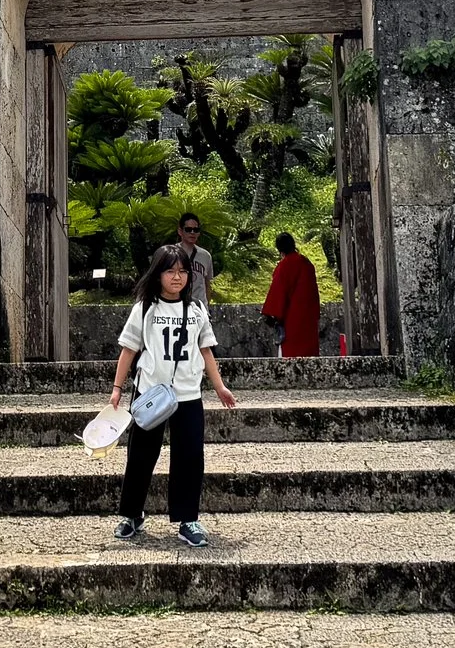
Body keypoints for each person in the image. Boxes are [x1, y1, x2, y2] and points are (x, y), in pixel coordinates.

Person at [106, 241, 237, 546]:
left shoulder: (196, 310)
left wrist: (219, 387)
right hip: (150, 392)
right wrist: (117, 389)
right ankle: (132, 514)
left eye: (182, 271)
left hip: (188, 395)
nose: (177, 277)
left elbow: (205, 351)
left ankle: (187, 519)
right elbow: (129, 350)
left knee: (190, 457)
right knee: (140, 455)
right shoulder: (145, 308)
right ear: (158, 274)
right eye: (170, 271)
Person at [261, 231, 321, 358]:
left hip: (291, 318)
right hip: (309, 317)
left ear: (279, 249)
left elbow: (278, 292)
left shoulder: (284, 266)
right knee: (310, 354)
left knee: (291, 355)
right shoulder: (306, 263)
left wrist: (270, 315)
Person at [173, 214, 216, 303]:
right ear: (180, 231)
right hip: (177, 306)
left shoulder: (205, 256)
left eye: (195, 230)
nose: (192, 233)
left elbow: (208, 284)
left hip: (199, 308)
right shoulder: (171, 254)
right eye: (188, 229)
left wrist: (206, 308)